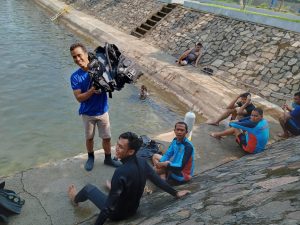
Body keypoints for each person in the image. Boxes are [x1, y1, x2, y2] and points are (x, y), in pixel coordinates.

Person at [68, 132, 190, 225]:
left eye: (120, 147)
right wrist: (176, 193)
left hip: (117, 214)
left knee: (89, 189)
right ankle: (115, 188)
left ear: (131, 151)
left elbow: (107, 208)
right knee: (119, 186)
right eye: (117, 144)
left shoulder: (120, 172)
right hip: (133, 210)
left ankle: (74, 199)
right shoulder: (142, 162)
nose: (116, 148)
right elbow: (157, 181)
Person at [70, 43, 121, 171]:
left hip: (103, 111)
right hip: (87, 113)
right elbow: (79, 98)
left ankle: (108, 159)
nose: (77, 59)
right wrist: (93, 90)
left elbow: (113, 84)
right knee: (89, 138)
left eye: (79, 55)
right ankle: (91, 157)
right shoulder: (75, 77)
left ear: (86, 54)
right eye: (74, 57)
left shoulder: (101, 68)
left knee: (107, 138)